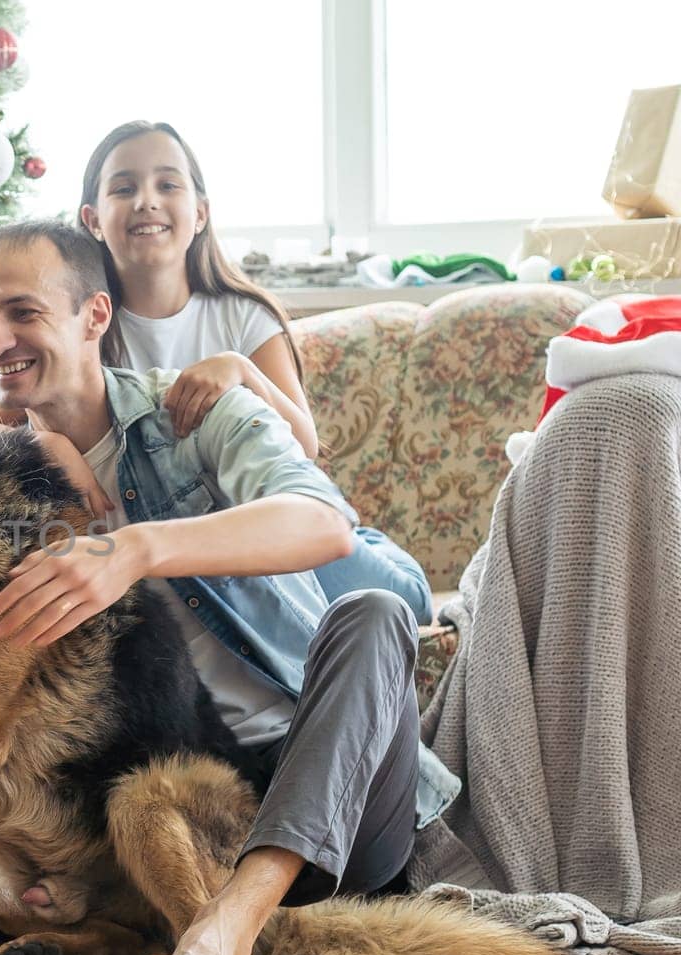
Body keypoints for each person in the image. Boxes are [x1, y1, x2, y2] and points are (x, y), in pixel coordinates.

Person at [0, 219, 459, 955]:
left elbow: (325, 522)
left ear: (94, 315)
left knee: (372, 614)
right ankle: (109, 933)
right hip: (119, 795)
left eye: (22, 313)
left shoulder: (198, 410)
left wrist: (133, 547)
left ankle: (223, 930)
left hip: (308, 783)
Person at [60, 120, 431, 623]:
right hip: (172, 539)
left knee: (405, 601)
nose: (146, 200)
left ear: (200, 214)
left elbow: (304, 446)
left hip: (263, 525)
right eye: (123, 188)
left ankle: (376, 545)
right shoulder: (79, 328)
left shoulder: (242, 316)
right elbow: (1, 419)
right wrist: (53, 445)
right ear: (92, 219)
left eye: (167, 184)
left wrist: (242, 372)